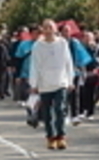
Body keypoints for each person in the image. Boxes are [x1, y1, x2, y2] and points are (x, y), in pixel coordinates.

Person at [29, 20, 75, 150]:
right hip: (45, 84)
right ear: (42, 30)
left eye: (51, 27)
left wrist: (70, 81)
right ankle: (50, 137)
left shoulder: (62, 43)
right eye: (45, 28)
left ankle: (61, 136)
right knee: (47, 113)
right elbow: (35, 66)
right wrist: (34, 83)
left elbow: (68, 62)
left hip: (60, 82)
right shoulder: (38, 46)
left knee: (60, 109)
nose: (48, 30)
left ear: (55, 29)